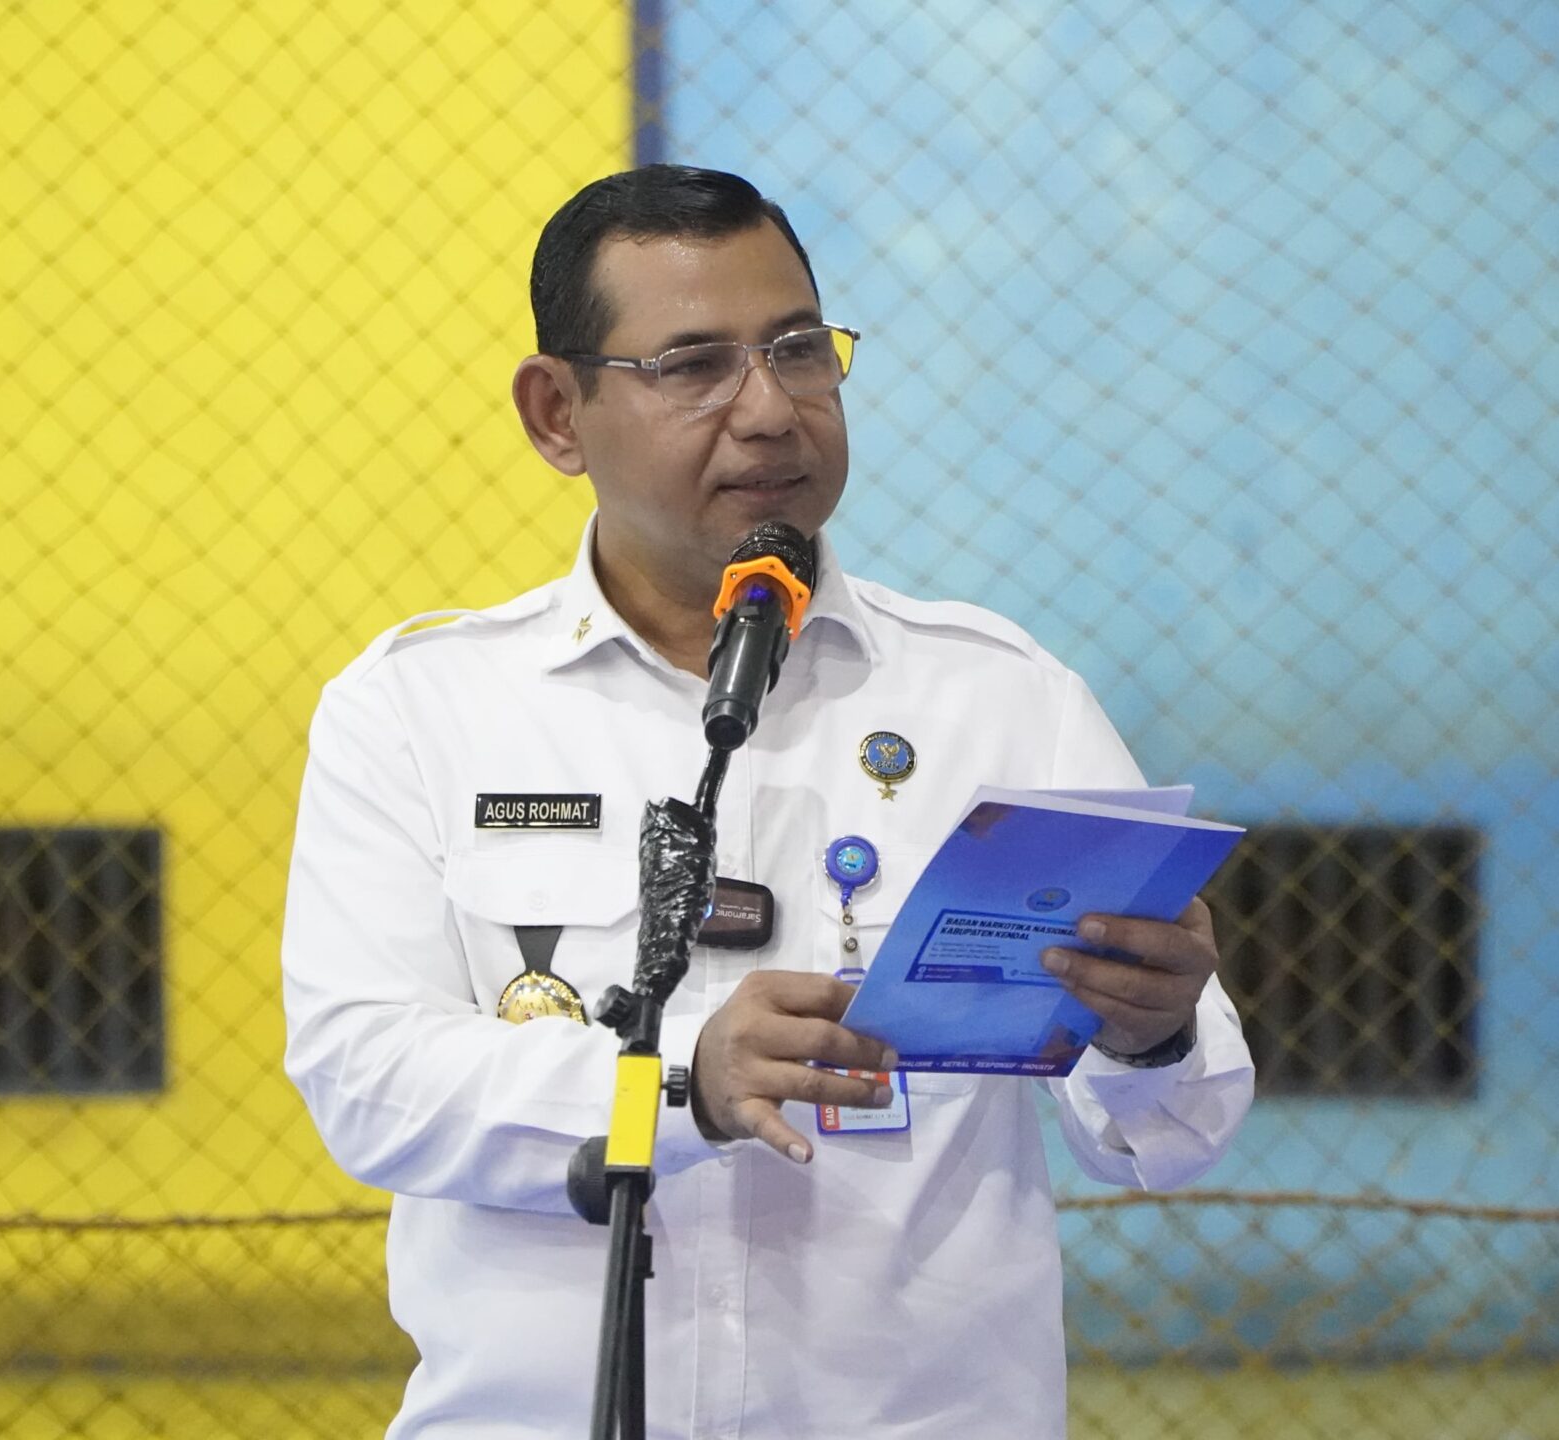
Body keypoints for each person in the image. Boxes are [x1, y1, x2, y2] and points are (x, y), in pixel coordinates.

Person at [281, 164, 1253, 1439]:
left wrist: (1152, 1035)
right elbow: (366, 1080)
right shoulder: (422, 709)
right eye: (692, 365)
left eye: (798, 350)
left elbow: (1172, 1133)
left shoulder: (1001, 701)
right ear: (557, 414)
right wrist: (680, 1084)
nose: (769, 411)